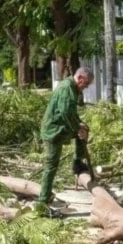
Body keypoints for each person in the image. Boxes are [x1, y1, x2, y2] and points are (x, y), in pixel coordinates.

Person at [36, 66, 93, 215]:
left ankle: (77, 162)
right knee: (51, 166)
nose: (85, 87)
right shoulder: (67, 88)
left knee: (84, 129)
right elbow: (66, 112)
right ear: (80, 78)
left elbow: (72, 113)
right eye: (85, 84)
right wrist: (77, 129)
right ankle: (42, 204)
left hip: (61, 128)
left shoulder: (72, 88)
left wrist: (81, 125)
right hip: (54, 131)